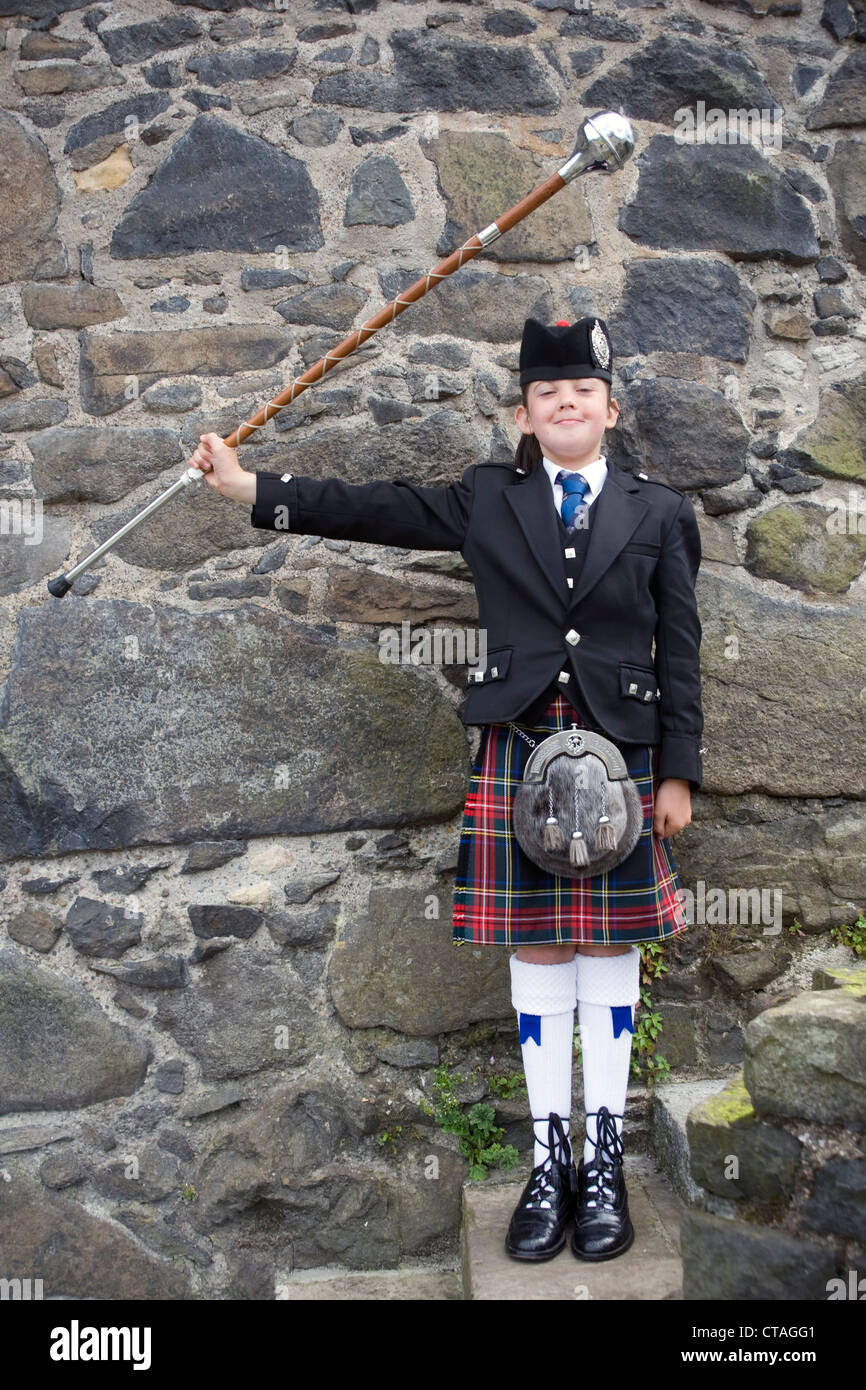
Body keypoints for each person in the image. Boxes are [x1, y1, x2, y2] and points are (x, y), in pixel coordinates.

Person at [188, 315, 703, 1268]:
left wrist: (677, 769)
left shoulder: (661, 512)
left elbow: (682, 647)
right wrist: (253, 489)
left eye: (582, 392)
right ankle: (550, 1162)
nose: (565, 404)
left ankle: (605, 1162)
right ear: (523, 412)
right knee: (544, 945)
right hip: (521, 748)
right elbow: (374, 507)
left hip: (624, 755)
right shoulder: (485, 499)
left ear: (611, 410)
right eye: (547, 393)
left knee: (615, 943)